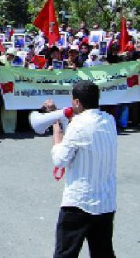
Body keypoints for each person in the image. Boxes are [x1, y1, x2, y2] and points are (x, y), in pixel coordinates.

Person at [45, 80, 117, 258]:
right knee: (103, 253)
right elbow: (84, 128)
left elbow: (59, 159)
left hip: (79, 203)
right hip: (106, 202)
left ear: (77, 102)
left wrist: (56, 125)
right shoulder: (109, 120)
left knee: (65, 254)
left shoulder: (78, 125)